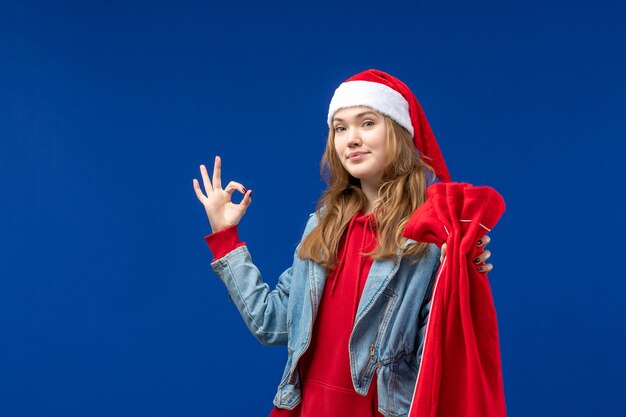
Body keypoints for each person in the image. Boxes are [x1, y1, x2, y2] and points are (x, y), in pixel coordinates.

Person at [192, 69, 494, 417]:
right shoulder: (322, 227)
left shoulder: (428, 238)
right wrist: (225, 237)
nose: (351, 138)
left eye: (367, 123)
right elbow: (271, 323)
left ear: (397, 131)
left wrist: (462, 268)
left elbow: (442, 359)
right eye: (340, 128)